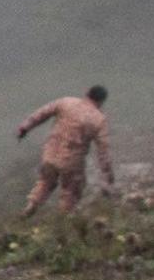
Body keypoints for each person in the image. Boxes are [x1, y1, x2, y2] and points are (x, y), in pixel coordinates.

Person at [17, 85, 115, 217]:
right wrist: (107, 176)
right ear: (102, 101)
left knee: (45, 182)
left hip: (50, 155)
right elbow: (103, 151)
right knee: (71, 191)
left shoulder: (66, 102)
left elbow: (41, 114)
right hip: (72, 161)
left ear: (87, 93)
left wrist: (25, 127)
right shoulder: (98, 119)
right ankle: (63, 219)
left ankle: (31, 206)